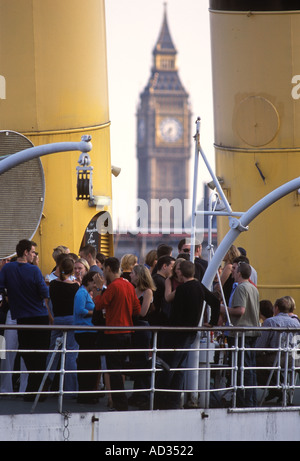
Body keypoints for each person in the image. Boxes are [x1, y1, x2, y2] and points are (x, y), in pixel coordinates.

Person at [155, 260, 220, 409]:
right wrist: (212, 322)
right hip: (190, 333)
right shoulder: (199, 286)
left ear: (180, 272)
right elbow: (215, 302)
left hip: (177, 333)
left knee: (168, 368)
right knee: (180, 369)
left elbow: (175, 313)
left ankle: (160, 401)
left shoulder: (183, 289)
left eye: (178, 270)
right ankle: (174, 401)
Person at [0, 239, 52, 400]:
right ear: (25, 252)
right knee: (40, 355)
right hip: (39, 317)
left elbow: (1, 286)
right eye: (33, 252)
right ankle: (37, 389)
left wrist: (8, 296)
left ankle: (33, 389)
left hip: (21, 318)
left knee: (26, 353)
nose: (34, 255)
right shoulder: (34, 270)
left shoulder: (8, 268)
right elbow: (44, 293)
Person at [93, 257, 141, 411]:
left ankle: (120, 403)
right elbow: (137, 310)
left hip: (114, 332)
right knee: (120, 367)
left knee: (113, 370)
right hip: (127, 332)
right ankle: (121, 401)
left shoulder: (113, 287)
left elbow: (99, 304)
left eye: (103, 269)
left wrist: (98, 289)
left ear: (107, 268)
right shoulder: (128, 286)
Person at [221, 261, 260, 407]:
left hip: (240, 334)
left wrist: (223, 309)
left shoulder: (241, 288)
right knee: (249, 368)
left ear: (239, 273)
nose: (232, 271)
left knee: (242, 368)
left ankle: (245, 401)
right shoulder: (253, 288)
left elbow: (240, 310)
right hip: (251, 333)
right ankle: (251, 400)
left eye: (235, 269)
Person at [255, 297, 300, 402]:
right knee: (270, 364)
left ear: (276, 308)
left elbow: (259, 347)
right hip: (293, 359)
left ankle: (275, 388)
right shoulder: (296, 323)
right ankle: (280, 387)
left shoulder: (270, 322)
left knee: (255, 362)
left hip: (276, 358)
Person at [47, 257, 79, 395]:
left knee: (52, 353)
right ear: (72, 270)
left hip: (57, 320)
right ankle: (70, 390)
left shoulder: (53, 284)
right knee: (71, 354)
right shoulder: (75, 286)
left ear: (59, 268)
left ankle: (46, 385)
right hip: (71, 321)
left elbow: (47, 303)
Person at [128, 264, 156, 408]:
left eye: (132, 273)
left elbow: (143, 312)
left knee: (142, 360)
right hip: (133, 327)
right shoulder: (133, 290)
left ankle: (142, 393)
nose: (130, 275)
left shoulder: (147, 292)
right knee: (135, 361)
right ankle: (136, 392)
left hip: (142, 328)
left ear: (139, 275)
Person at [73, 271, 101, 404]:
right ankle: (86, 393)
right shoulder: (82, 293)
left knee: (89, 362)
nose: (95, 285)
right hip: (85, 332)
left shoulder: (83, 293)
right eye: (94, 282)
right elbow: (80, 310)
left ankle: (87, 392)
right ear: (89, 281)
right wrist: (94, 313)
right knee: (88, 362)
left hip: (87, 332)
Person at [151, 255, 175, 326]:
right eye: (172, 267)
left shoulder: (154, 278)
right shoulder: (162, 282)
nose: (174, 270)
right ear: (164, 266)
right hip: (160, 320)